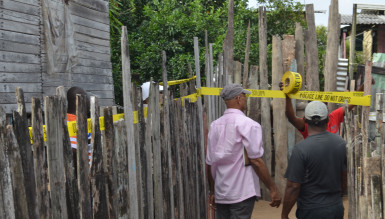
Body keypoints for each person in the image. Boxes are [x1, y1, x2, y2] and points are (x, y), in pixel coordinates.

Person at [206, 83, 281, 219]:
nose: (246, 100)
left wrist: (212, 190)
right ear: (239, 98)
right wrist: (273, 188)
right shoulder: (249, 125)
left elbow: (209, 163)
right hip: (242, 191)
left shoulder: (215, 126)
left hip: (221, 192)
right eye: (245, 97)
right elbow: (256, 160)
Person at [281, 101, 347, 219]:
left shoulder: (300, 149)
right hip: (335, 208)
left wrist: (284, 214)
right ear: (327, 120)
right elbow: (344, 176)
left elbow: (293, 187)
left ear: (305, 120)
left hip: (310, 210)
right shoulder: (341, 144)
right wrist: (337, 197)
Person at [279, 82, 369, 139]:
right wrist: (287, 97)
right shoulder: (307, 123)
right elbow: (292, 119)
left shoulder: (334, 116)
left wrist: (364, 86)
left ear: (327, 108)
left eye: (323, 105)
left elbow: (353, 102)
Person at [67, 86, 92, 168]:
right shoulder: (77, 124)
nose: (89, 101)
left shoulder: (64, 120)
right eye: (86, 98)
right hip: (84, 172)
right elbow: (74, 151)